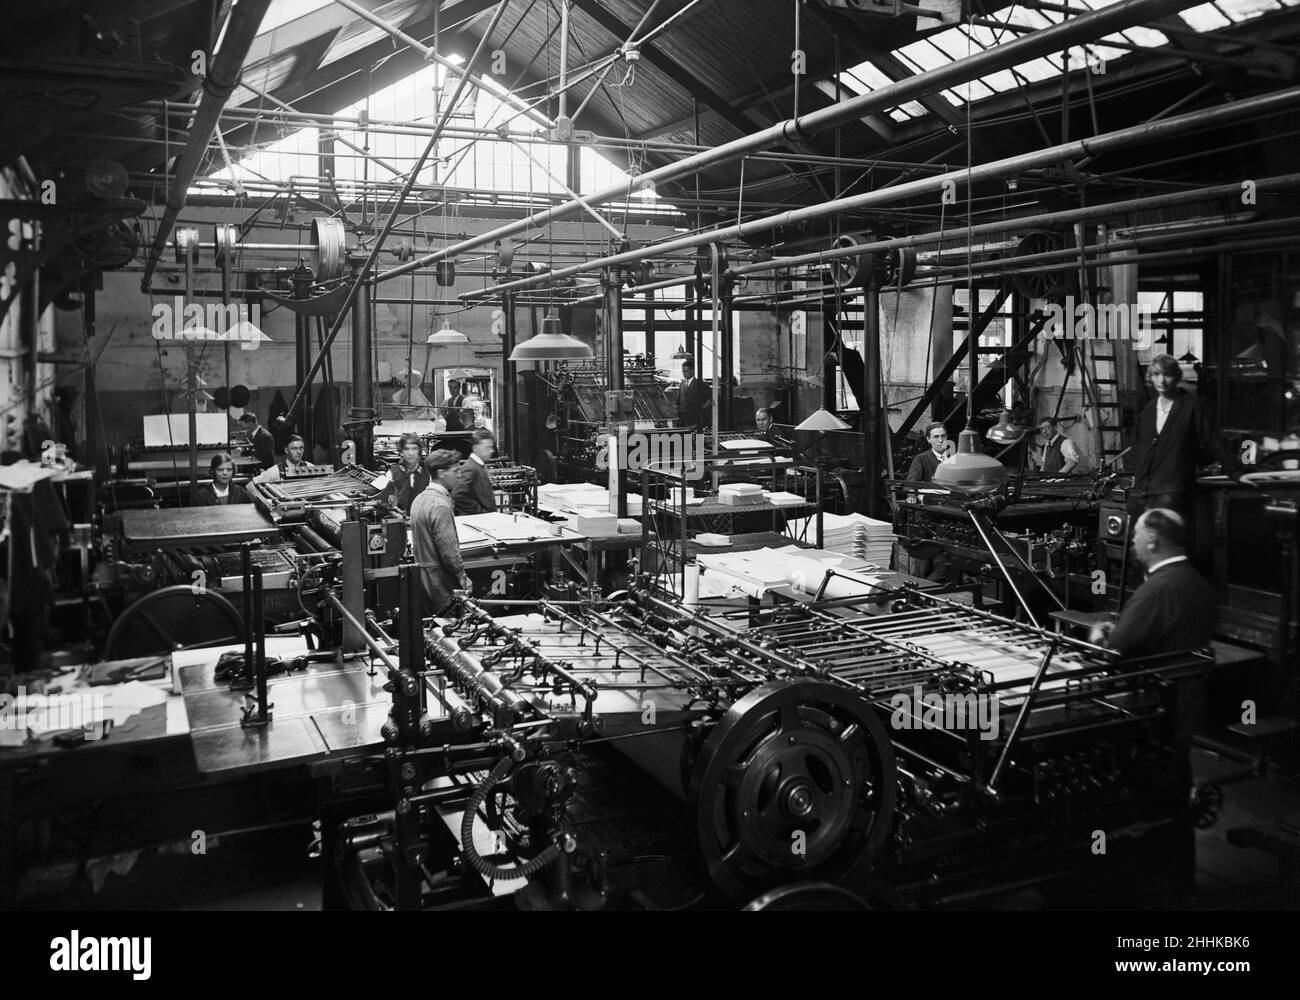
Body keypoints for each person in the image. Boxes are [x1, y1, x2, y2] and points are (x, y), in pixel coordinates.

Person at [1089, 508, 1217, 659]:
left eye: (1137, 533)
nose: (1134, 540)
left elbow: (1113, 652)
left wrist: (1096, 636)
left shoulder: (1154, 591)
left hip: (1155, 678)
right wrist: (1125, 629)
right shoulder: (1199, 582)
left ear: (1152, 539)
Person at [1129, 354, 1219, 520]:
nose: (1161, 381)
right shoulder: (1148, 410)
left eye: (1167, 375)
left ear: (1177, 377)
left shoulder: (1193, 406)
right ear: (1151, 377)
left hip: (1172, 492)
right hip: (1141, 493)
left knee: (1168, 543)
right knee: (1138, 544)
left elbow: (1213, 443)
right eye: (1156, 375)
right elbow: (1137, 449)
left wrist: (1237, 471)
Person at [410, 449, 472, 615]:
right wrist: (462, 576)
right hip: (440, 580)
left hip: (424, 578)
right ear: (441, 473)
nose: (458, 475)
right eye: (455, 471)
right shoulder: (440, 505)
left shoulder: (420, 499)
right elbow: (448, 550)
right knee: (451, 628)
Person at [378, 432, 429, 516]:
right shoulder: (391, 473)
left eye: (414, 449)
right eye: (406, 449)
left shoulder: (428, 471)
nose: (410, 453)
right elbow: (383, 503)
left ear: (419, 450)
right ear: (401, 451)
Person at [452, 429, 497, 515]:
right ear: (476, 448)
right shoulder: (470, 467)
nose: (492, 451)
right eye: (488, 447)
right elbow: (457, 495)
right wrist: (479, 512)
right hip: (477, 522)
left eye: (492, 447)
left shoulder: (478, 466)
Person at [676, 359, 710, 431]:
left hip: (696, 421)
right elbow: (678, 402)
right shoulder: (682, 384)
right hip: (683, 421)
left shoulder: (700, 384)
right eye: (683, 371)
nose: (684, 374)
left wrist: (699, 410)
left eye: (686, 371)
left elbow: (709, 400)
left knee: (696, 440)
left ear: (692, 371)